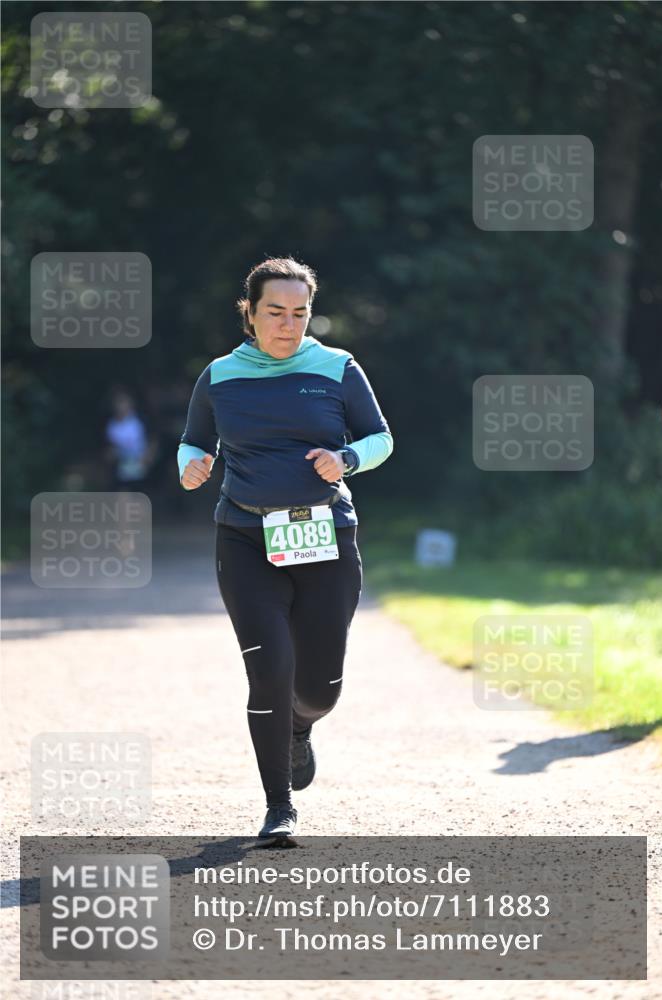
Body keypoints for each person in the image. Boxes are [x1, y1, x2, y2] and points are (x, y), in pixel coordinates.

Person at [177, 257, 393, 838]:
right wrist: (191, 467)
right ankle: (278, 806)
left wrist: (347, 458)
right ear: (250, 312)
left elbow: (380, 438)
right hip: (245, 536)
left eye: (300, 313)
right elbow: (193, 441)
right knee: (269, 669)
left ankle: (301, 728)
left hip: (324, 534)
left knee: (320, 687)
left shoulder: (337, 368)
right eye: (276, 311)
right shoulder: (219, 375)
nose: (289, 324)